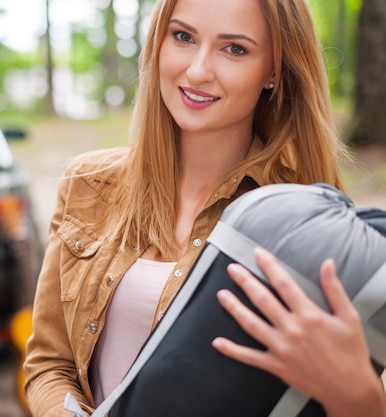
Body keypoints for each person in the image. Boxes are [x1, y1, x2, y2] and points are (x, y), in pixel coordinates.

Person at [23, 0, 386, 416]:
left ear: (274, 70)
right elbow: (49, 363)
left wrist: (364, 399)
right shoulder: (88, 184)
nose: (197, 70)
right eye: (183, 36)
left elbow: (342, 395)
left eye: (234, 49)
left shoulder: (307, 225)